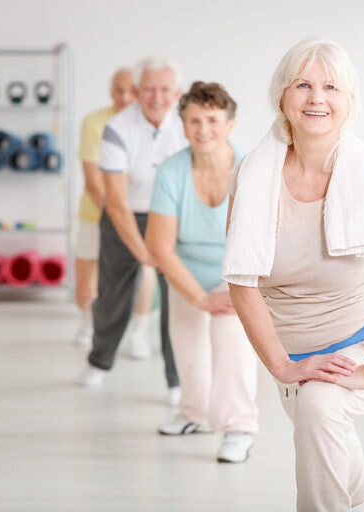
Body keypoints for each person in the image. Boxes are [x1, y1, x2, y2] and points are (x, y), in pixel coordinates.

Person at [222, 38, 364, 511]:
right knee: (325, 430)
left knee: (319, 407)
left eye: (331, 87)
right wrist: (281, 365)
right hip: (293, 355)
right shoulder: (252, 176)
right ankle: (362, 504)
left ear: (348, 100)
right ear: (282, 97)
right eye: (303, 85)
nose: (317, 97)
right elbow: (241, 282)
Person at [145, 81, 260, 463]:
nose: (203, 129)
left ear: (230, 125)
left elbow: (267, 237)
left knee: (230, 340)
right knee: (189, 349)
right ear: (183, 126)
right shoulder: (172, 171)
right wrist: (198, 297)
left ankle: (239, 427)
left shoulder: (251, 168)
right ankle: (195, 415)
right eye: (194, 121)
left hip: (236, 274)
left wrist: (237, 290)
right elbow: (159, 246)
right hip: (187, 273)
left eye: (212, 120)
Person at [78, 57, 188, 406]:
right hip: (124, 214)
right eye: (149, 88)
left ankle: (176, 379)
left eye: (165, 89)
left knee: (177, 298)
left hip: (173, 216)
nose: (157, 96)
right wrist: (144, 254)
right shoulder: (118, 127)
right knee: (112, 295)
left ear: (177, 92)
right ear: (138, 90)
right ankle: (99, 361)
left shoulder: (187, 123)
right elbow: (115, 202)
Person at [74, 67, 158, 359]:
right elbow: (93, 181)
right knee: (87, 287)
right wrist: (115, 217)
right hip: (96, 214)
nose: (124, 97)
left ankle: (139, 332)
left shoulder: (150, 124)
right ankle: (90, 325)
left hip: (139, 216)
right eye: (118, 91)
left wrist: (128, 218)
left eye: (130, 91)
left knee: (144, 271)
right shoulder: (95, 122)